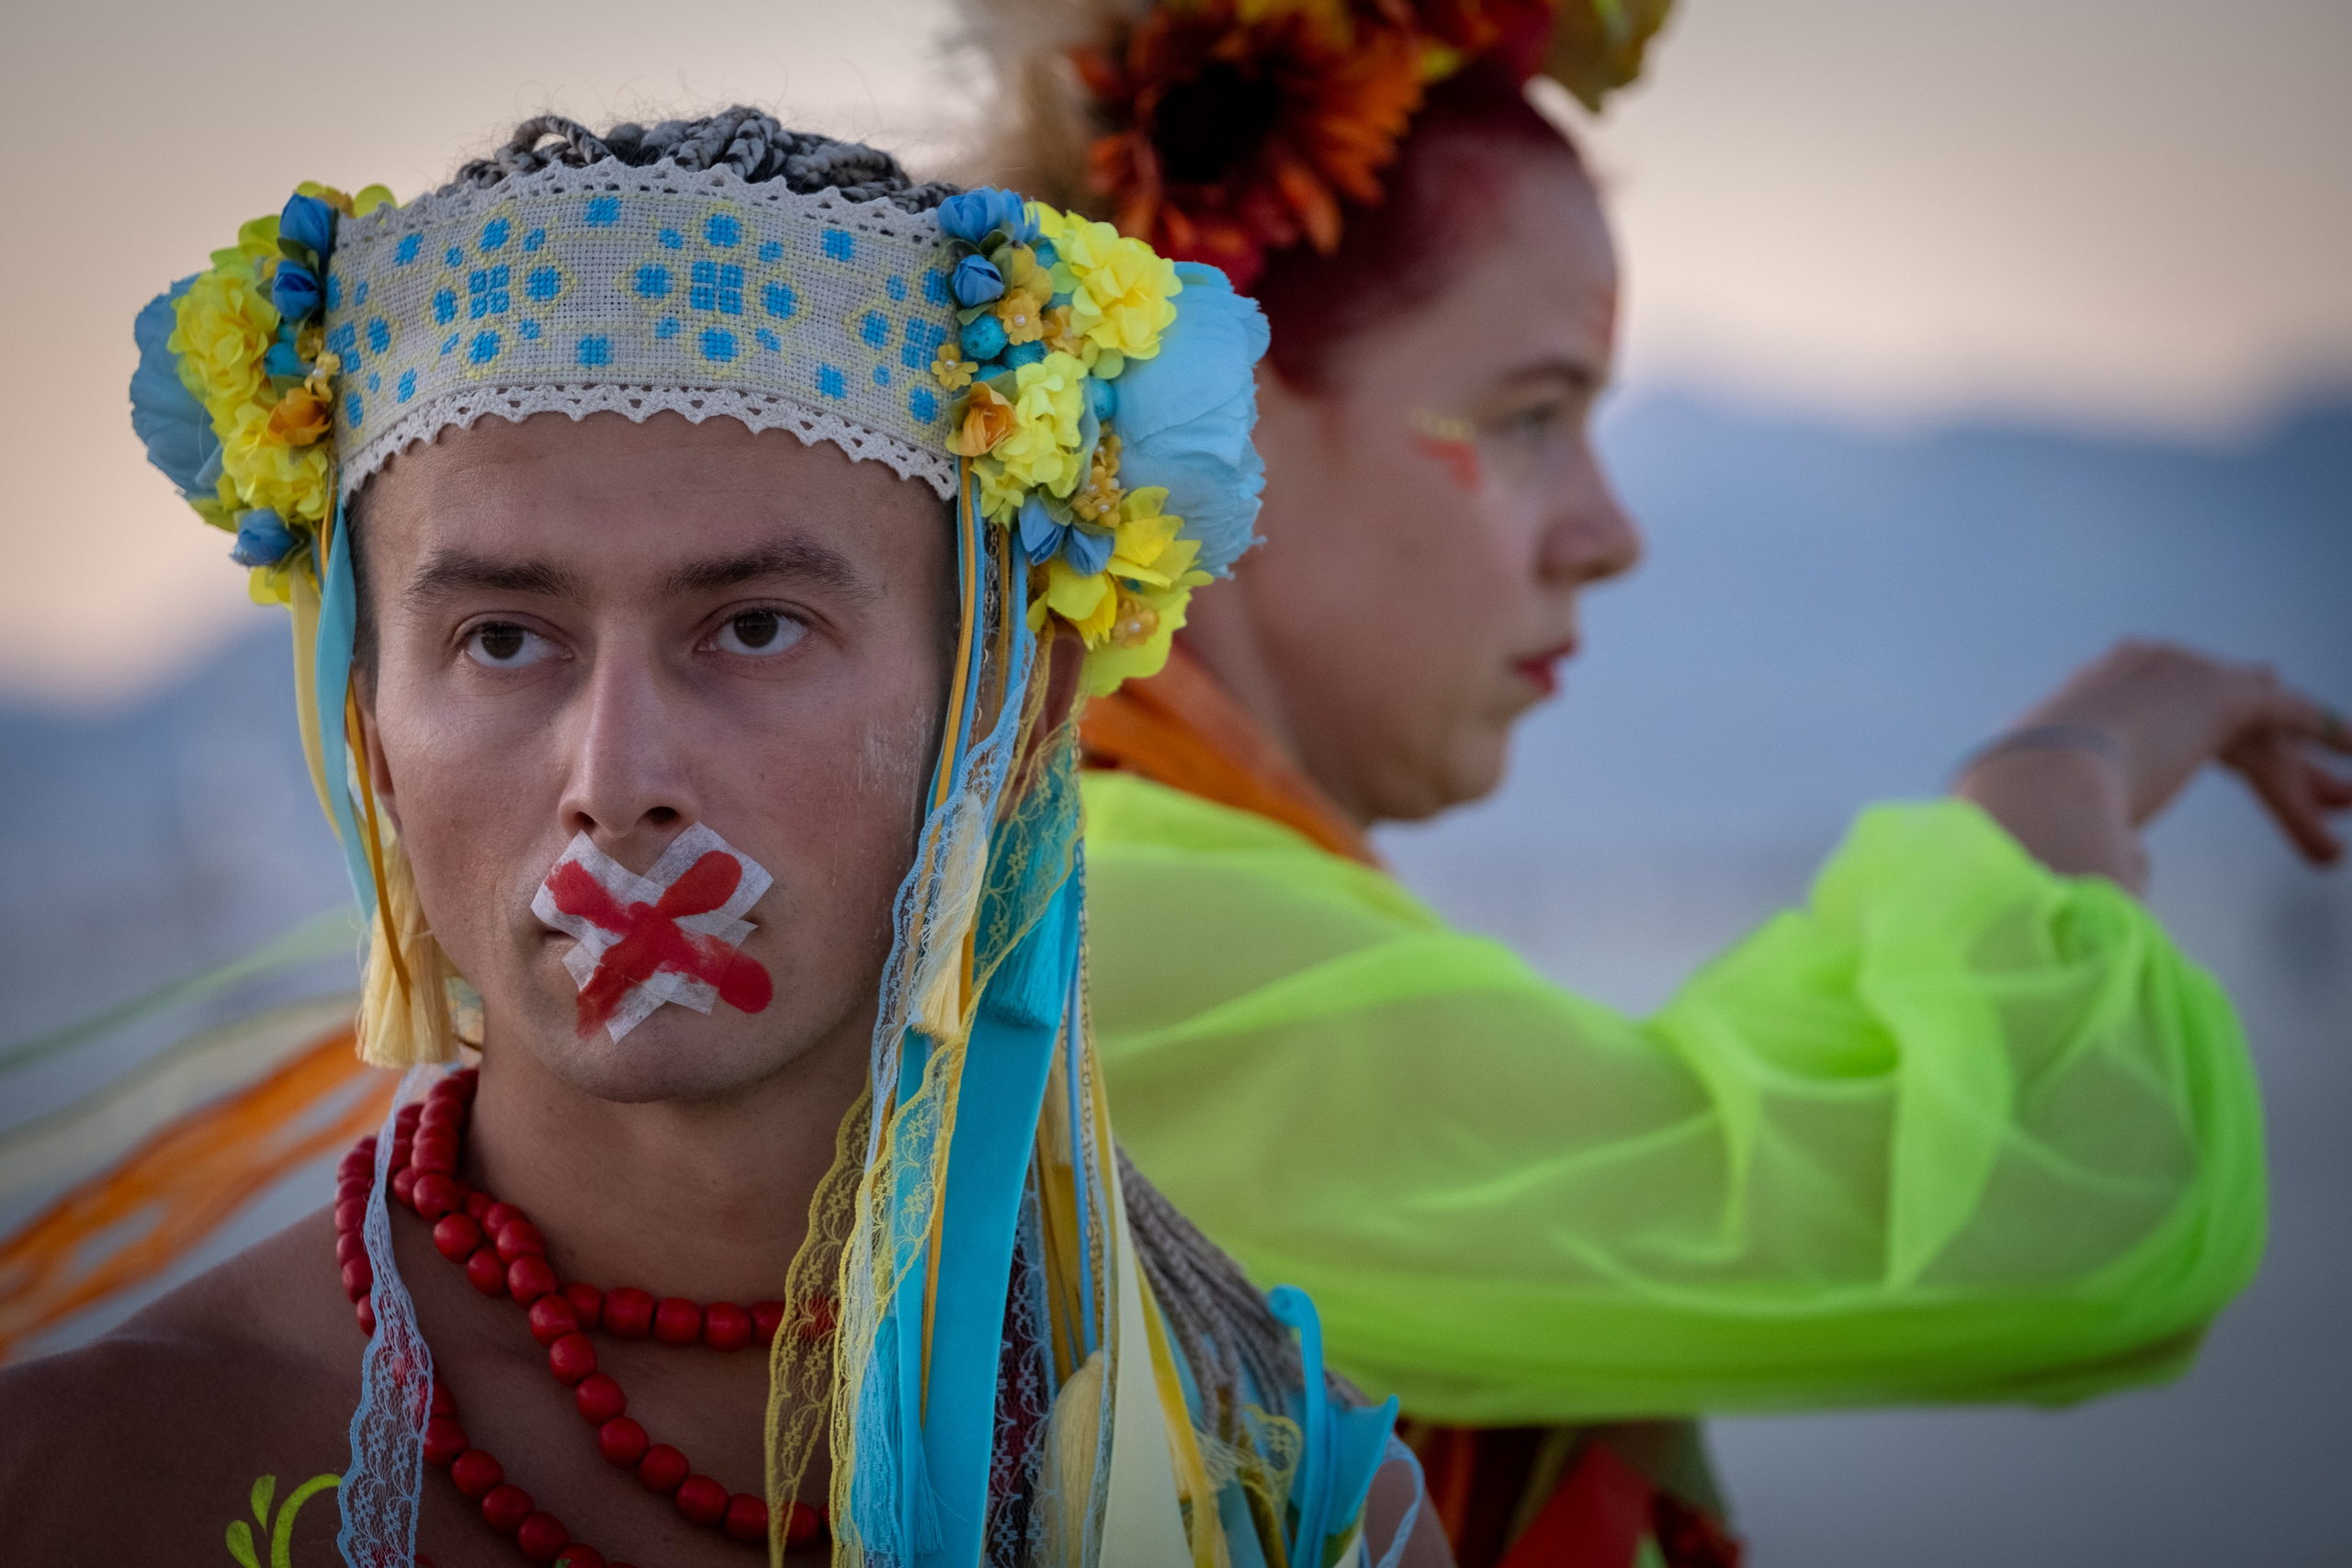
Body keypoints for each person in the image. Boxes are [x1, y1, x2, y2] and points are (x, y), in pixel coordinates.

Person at [966, 1, 2352, 1562]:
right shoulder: (1104, 920)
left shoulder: (1110, 872)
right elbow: (2038, 1218)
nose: (1613, 532)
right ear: (1218, 426)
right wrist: (2046, 798)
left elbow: (1674, 1115)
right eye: (1530, 418)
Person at [0, 109, 1447, 1567]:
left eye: (754, 628)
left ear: (1007, 705)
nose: (615, 777)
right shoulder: (84, 1483)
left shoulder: (1277, 1502)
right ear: (370, 722)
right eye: (503, 639)